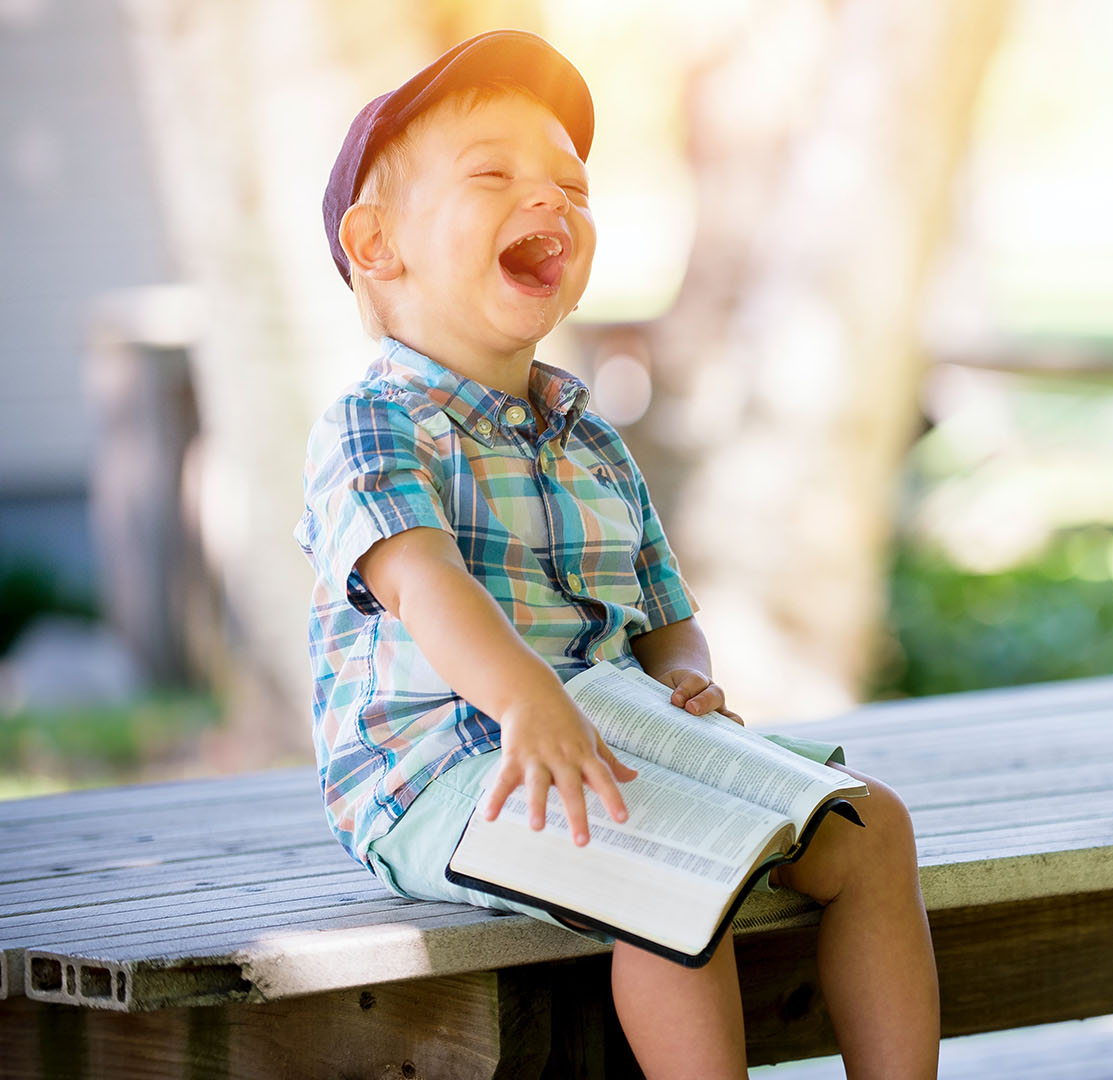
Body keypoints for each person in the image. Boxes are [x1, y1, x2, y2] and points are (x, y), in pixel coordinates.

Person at [294, 30, 938, 1078]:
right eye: (494, 174)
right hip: (443, 770)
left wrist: (685, 673)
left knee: (873, 828)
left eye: (572, 185)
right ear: (377, 245)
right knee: (675, 866)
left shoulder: (588, 434)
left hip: (602, 728)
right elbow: (424, 583)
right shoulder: (376, 424)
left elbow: (661, 605)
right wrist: (527, 701)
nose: (550, 200)